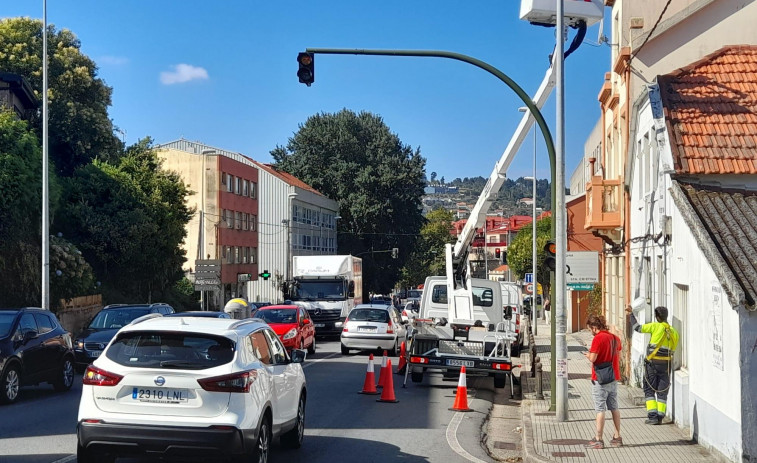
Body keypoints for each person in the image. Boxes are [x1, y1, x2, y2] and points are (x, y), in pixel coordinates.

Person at [627, 305, 679, 425]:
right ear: (666, 316)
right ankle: (660, 417)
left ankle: (652, 416)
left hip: (652, 364)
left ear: (657, 317)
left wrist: (631, 314)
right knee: (662, 391)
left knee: (649, 389)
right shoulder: (674, 333)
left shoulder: (655, 326)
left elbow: (637, 328)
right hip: (666, 365)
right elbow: (673, 350)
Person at [582, 314, 623, 449]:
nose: (591, 332)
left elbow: (593, 358)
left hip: (600, 379)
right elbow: (619, 349)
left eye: (590, 329)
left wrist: (588, 355)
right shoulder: (613, 338)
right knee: (614, 407)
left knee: (600, 409)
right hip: (613, 377)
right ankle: (617, 437)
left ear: (594, 327)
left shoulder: (598, 339)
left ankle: (599, 439)